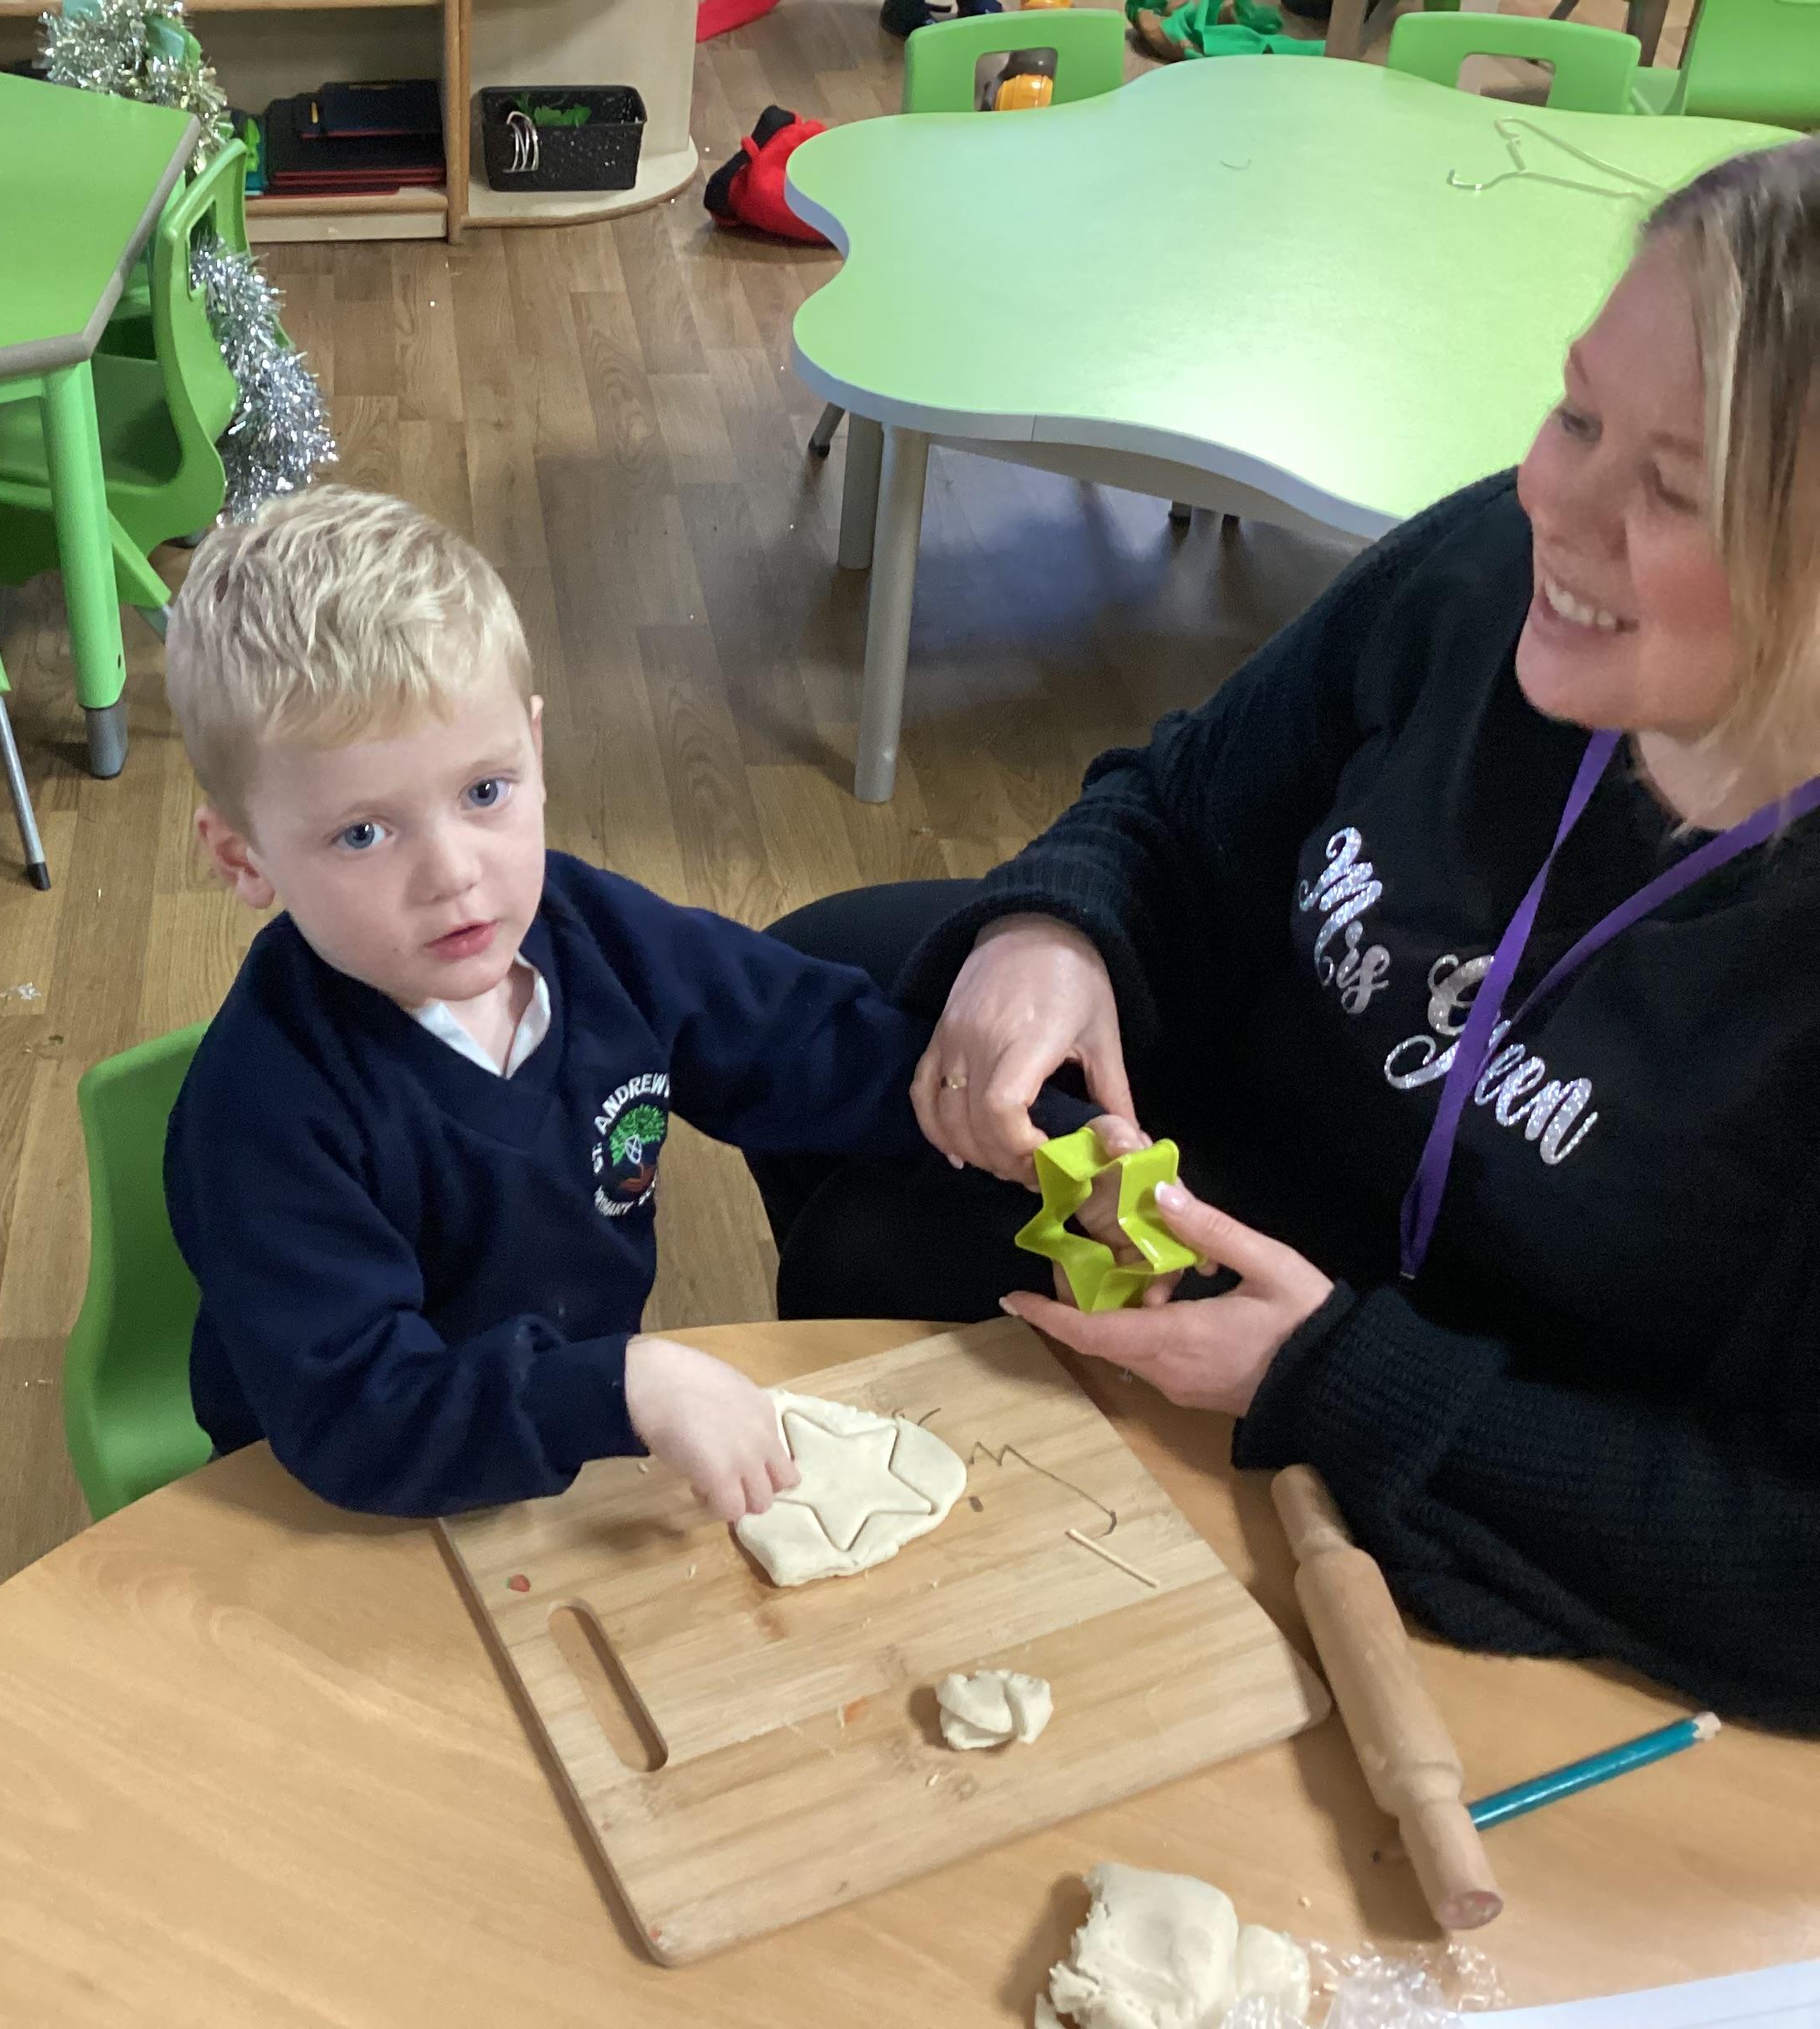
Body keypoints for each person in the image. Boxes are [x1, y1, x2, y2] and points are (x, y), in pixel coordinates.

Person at [753, 138, 1820, 1730]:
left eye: (1670, 489)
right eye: (1573, 413)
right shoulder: (1481, 570)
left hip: (1537, 1423)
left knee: (882, 1246)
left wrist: (1325, 1374)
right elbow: (1184, 794)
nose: (1550, 499)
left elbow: (1787, 1568)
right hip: (1260, 1196)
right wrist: (1057, 926)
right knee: (831, 999)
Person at [163, 488, 941, 1520]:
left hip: (564, 1442)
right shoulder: (262, 1110)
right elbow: (357, 1417)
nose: (454, 874)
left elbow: (799, 1038)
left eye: (484, 792)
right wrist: (617, 1387)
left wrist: (1011, 1120)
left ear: (534, 751)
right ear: (242, 857)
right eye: (363, 834)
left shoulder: (597, 935)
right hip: (347, 1494)